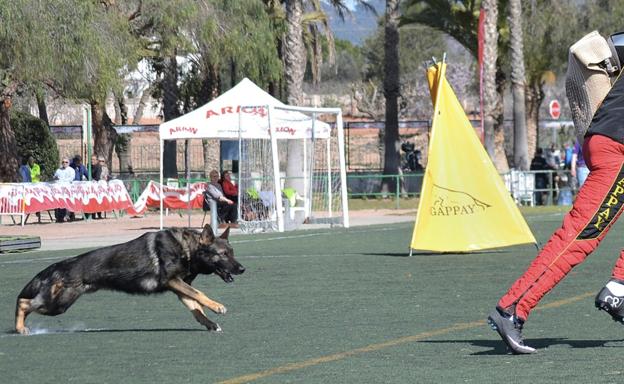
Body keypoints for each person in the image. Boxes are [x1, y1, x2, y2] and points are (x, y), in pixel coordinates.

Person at [488, 30, 624, 354]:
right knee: (579, 238)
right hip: (617, 148)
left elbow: (606, 47)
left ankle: (618, 287)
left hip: (604, 136)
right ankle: (512, 308)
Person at [53, 158, 75, 223]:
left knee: (67, 203)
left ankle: (67, 216)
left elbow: (71, 179)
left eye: (66, 162)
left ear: (68, 163)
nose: (64, 163)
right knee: (58, 203)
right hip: (59, 190)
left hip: (67, 190)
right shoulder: (58, 170)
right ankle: (58, 217)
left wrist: (62, 180)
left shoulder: (71, 170)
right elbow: (54, 177)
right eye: (63, 162)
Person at [90, 154, 103, 219]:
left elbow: (97, 177)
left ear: (97, 160)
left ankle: (99, 214)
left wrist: (93, 180)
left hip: (97, 184)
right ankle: (91, 214)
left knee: (97, 199)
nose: (92, 161)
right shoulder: (89, 166)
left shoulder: (99, 166)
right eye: (91, 159)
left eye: (94, 159)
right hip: (90, 184)